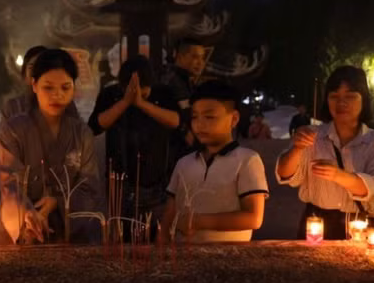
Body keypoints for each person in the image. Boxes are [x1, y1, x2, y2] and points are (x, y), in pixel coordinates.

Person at [0, 49, 101, 245]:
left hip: (67, 231)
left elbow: (89, 186)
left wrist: (57, 202)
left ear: (73, 88)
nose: (57, 95)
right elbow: (9, 182)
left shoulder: (82, 134)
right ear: (34, 85)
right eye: (48, 88)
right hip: (21, 229)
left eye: (65, 87)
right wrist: (27, 213)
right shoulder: (14, 129)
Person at [276, 66, 374, 240]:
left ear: (364, 100)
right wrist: (297, 148)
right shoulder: (311, 135)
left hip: (359, 229)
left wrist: (338, 175)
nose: (341, 103)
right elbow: (284, 174)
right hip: (315, 226)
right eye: (334, 96)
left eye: (350, 96)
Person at [162, 80, 268, 243]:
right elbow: (170, 213)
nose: (199, 124)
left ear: (234, 119)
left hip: (230, 255)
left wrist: (198, 221)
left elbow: (253, 218)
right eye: (195, 117)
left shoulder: (247, 160)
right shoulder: (184, 163)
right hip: (182, 255)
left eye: (209, 117)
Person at [88, 55, 180, 240]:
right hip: (120, 180)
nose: (136, 93)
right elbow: (95, 127)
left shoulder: (163, 93)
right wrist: (124, 102)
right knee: (122, 236)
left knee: (154, 234)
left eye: (143, 91)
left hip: (156, 180)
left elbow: (175, 121)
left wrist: (141, 103)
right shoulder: (110, 94)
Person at [161, 37, 206, 164]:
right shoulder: (173, 82)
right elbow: (183, 116)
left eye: (202, 58)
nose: (200, 63)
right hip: (174, 155)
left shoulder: (186, 82)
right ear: (180, 56)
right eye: (195, 57)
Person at [3, 45, 78, 120]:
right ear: (24, 74)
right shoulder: (13, 107)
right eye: (32, 68)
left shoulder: (65, 105)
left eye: (43, 68)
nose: (37, 73)